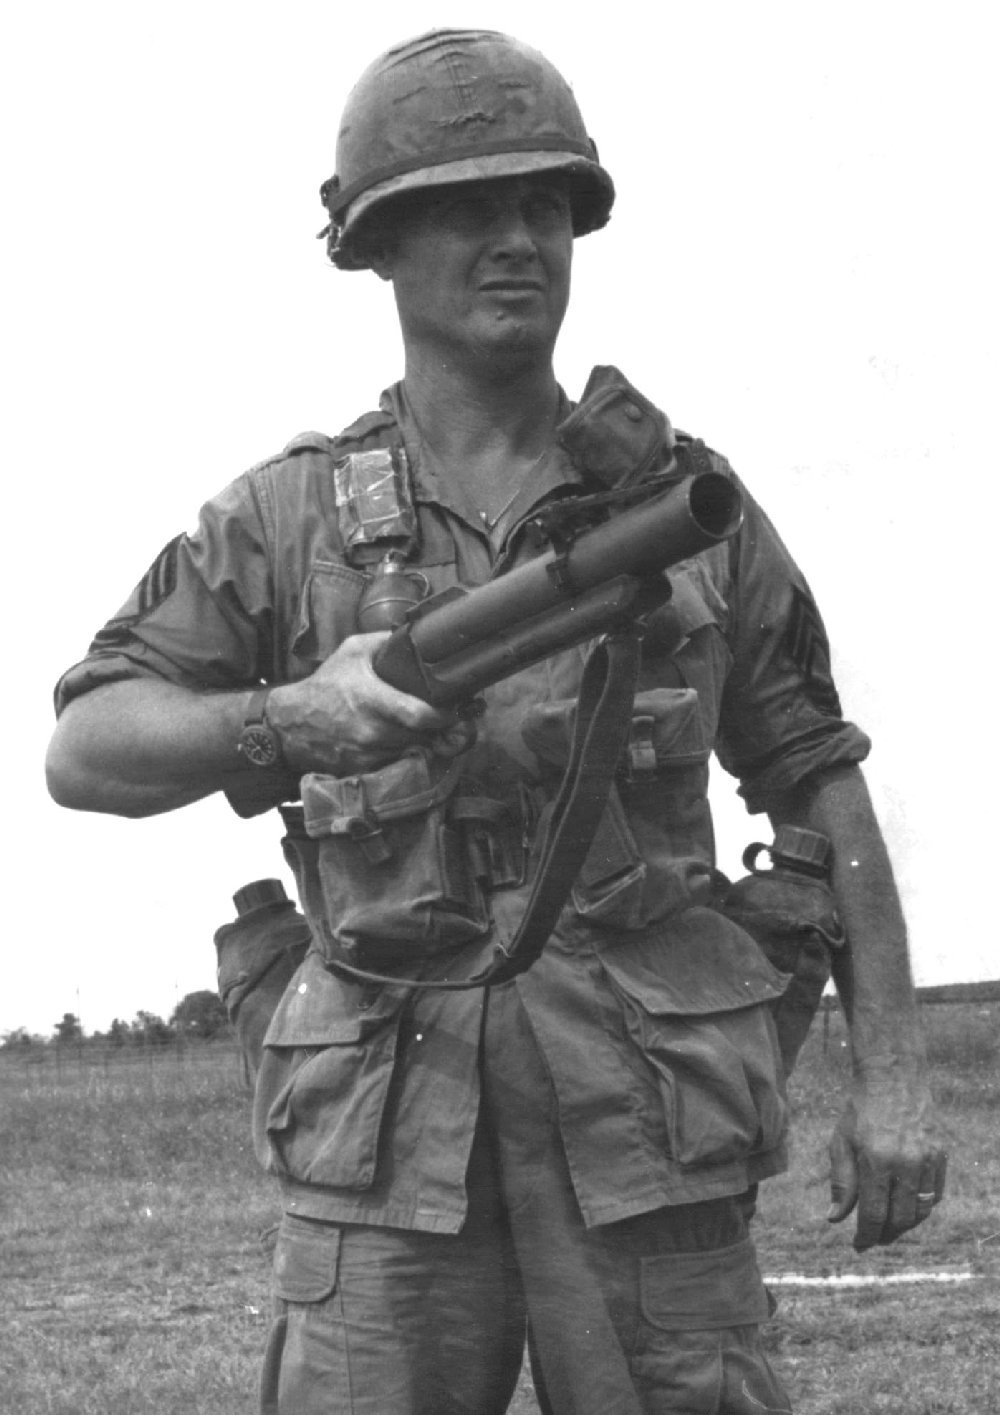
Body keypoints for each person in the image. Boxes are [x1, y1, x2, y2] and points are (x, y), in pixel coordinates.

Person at [46, 28, 946, 1415]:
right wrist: (290, 716)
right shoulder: (281, 522)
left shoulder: (685, 512)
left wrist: (897, 1083)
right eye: (468, 208)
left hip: (650, 1130)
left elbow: (820, 784)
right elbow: (89, 747)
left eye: (544, 205)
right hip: (384, 1144)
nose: (518, 238)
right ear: (380, 248)